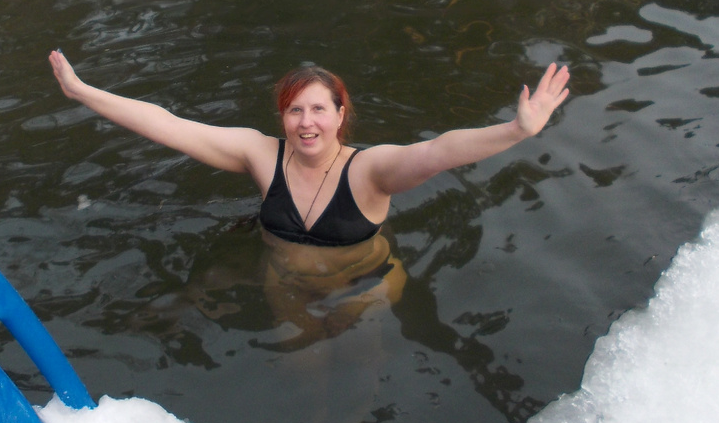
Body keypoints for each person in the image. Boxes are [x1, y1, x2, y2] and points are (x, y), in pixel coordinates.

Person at [48, 52, 570, 289]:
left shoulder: (369, 171)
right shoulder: (259, 154)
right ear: (282, 117)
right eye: (295, 110)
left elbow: (438, 151)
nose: (306, 122)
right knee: (304, 369)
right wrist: (82, 92)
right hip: (284, 280)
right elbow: (167, 124)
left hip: (362, 284)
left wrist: (515, 131)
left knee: (363, 373)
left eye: (319, 109)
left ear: (341, 116)